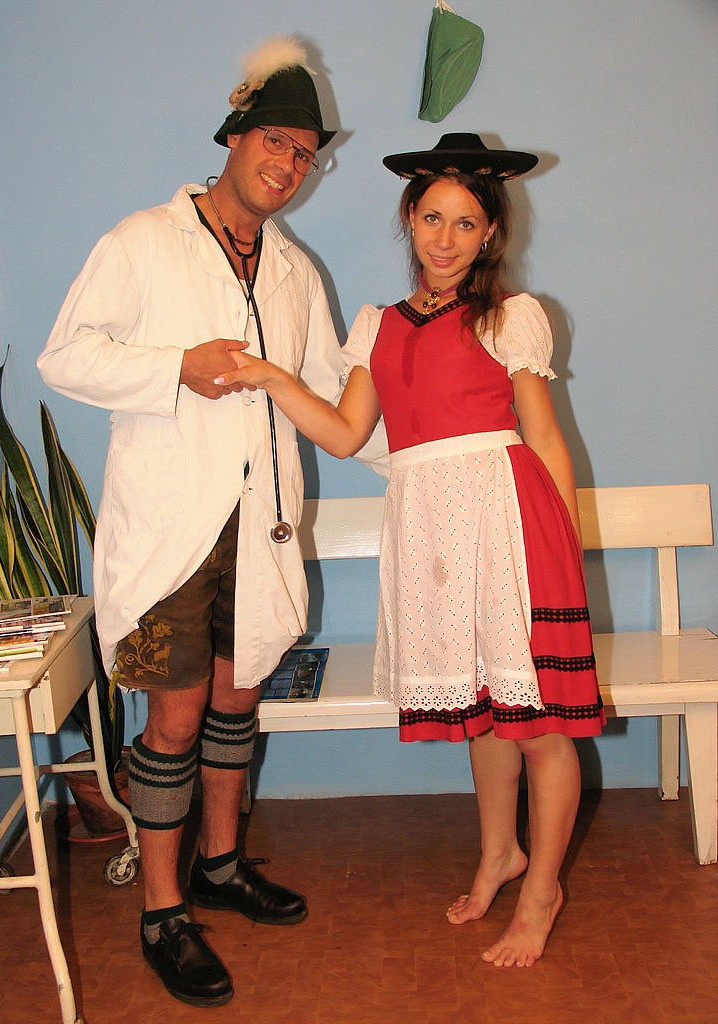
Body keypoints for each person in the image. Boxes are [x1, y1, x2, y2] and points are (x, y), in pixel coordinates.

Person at [38, 37, 385, 1008]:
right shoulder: (144, 240)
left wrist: (424, 431)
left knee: (237, 700)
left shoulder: (294, 271)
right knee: (176, 714)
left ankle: (222, 866)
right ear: (235, 137)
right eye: (277, 141)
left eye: (306, 153)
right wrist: (174, 369)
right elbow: (65, 355)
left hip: (260, 524)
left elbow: (330, 398)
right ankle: (163, 911)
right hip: (172, 529)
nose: (289, 164)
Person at [215, 133, 606, 970]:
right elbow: (347, 431)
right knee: (484, 710)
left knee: (538, 724)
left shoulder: (510, 317)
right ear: (409, 218)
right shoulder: (380, 326)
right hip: (431, 528)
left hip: (510, 526)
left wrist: (566, 552)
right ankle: (500, 854)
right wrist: (276, 379)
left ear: (490, 233)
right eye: (432, 218)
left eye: (466, 223)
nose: (445, 239)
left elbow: (544, 437)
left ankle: (542, 894)